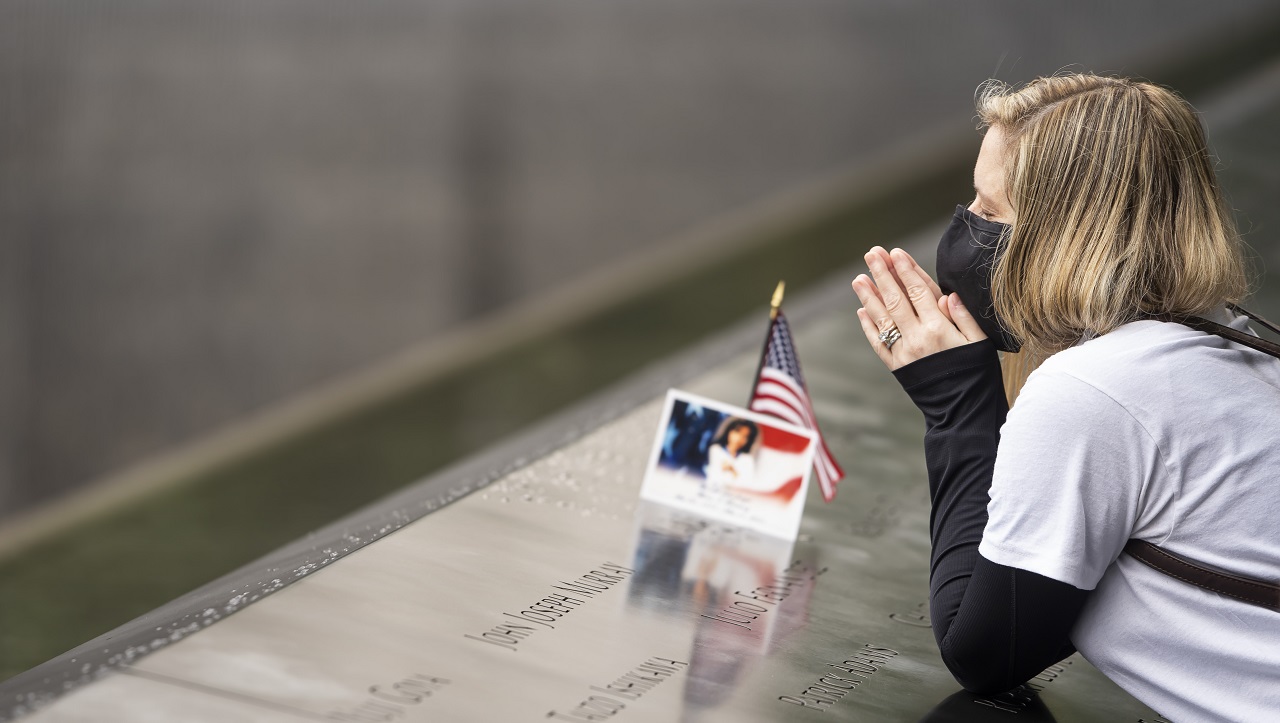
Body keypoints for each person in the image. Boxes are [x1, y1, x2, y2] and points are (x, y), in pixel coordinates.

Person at [850, 73, 1280, 721]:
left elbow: (987, 653)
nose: (967, 226)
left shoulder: (1095, 388)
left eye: (991, 211)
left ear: (1066, 234)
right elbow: (1047, 609)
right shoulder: (1229, 333)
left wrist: (957, 405)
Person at [703, 418, 758, 490]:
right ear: (730, 432)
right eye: (738, 432)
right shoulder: (716, 449)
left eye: (745, 436)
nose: (740, 438)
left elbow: (747, 483)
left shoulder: (747, 459)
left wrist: (731, 470)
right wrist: (735, 474)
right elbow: (714, 474)